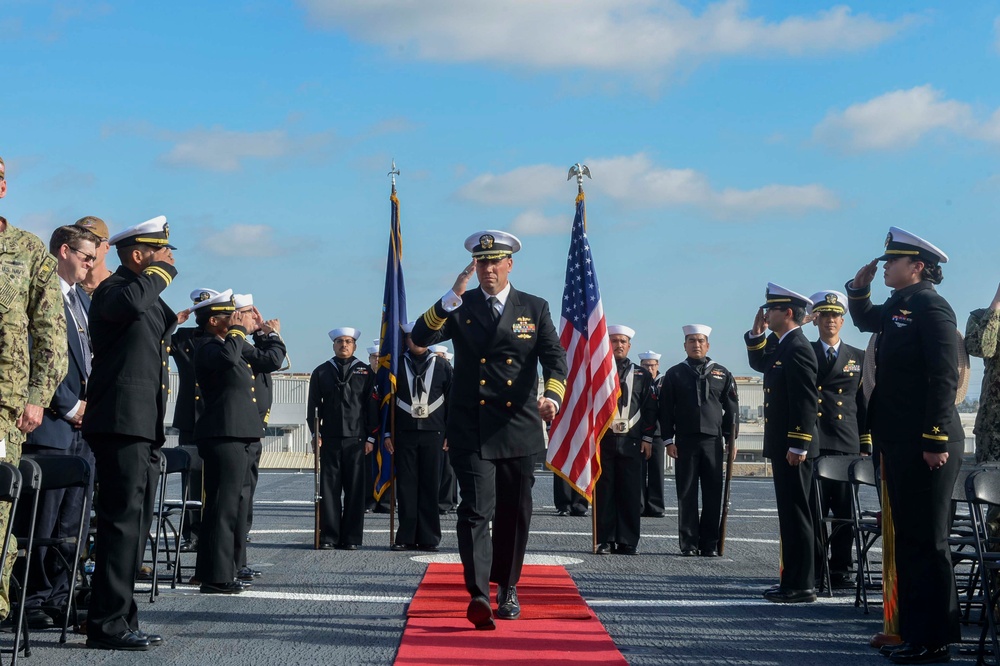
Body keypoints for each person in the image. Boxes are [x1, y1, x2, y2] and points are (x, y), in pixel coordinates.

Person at [411, 230, 567, 630]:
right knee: (476, 510)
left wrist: (551, 397)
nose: (489, 269)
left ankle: (507, 587)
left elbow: (554, 358)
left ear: (509, 264)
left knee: (514, 513)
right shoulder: (461, 307)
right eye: (482, 263)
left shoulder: (533, 307)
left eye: (496, 262)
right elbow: (420, 337)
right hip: (472, 427)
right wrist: (450, 297)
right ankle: (479, 593)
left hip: (518, 425)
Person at [846, 227, 963, 664]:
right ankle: (914, 633)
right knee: (910, 540)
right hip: (897, 439)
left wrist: (934, 437)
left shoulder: (932, 307)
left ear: (917, 267)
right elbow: (866, 319)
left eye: (892, 261)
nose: (885, 266)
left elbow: (944, 376)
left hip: (927, 443)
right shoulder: (902, 305)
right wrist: (859, 291)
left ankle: (935, 641)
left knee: (929, 542)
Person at [83, 215, 176, 651]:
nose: (170, 259)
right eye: (162, 251)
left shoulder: (138, 293)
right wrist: (157, 273)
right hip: (120, 423)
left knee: (134, 526)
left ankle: (122, 617)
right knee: (120, 524)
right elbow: (135, 304)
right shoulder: (113, 290)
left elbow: (161, 318)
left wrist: (156, 272)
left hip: (141, 425)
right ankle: (105, 623)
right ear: (137, 256)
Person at [20, 225, 101, 630]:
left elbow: (88, 359)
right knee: (41, 520)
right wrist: (70, 406)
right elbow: (35, 354)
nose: (92, 264)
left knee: (74, 521)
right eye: (87, 256)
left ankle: (60, 596)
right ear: (64, 251)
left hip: (82, 431)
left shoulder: (82, 300)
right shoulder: (42, 293)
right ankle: (30, 597)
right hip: (51, 423)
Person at [0, 155, 68, 623]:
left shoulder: (25, 249)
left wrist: (37, 396)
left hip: (3, 406)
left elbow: (50, 331)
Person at [745, 283, 819, 604]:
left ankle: (802, 584)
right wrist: (756, 332)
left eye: (771, 309)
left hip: (793, 448)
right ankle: (791, 580)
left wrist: (799, 444)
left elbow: (805, 399)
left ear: (787, 313)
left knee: (797, 513)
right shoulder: (784, 344)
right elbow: (761, 363)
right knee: (789, 515)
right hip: (785, 445)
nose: (765, 313)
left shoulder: (798, 347)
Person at [191, 291, 263, 594]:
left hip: (239, 433)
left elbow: (264, 361)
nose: (235, 320)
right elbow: (227, 358)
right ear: (213, 321)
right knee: (222, 507)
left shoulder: (227, 344)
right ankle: (216, 576)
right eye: (228, 316)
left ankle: (224, 568)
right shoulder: (207, 346)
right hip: (223, 435)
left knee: (231, 506)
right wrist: (236, 331)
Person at [659, 325, 738, 557]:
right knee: (687, 493)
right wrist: (667, 440)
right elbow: (665, 411)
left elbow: (731, 410)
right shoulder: (674, 374)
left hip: (713, 443)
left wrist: (730, 441)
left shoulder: (722, 373)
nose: (696, 344)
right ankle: (689, 543)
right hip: (684, 442)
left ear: (708, 345)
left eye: (701, 340)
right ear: (685, 345)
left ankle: (709, 544)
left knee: (714, 494)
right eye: (691, 341)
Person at [807, 290, 869, 588]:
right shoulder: (804, 352)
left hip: (846, 444)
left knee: (845, 514)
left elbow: (864, 401)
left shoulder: (859, 357)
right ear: (815, 319)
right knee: (815, 511)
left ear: (843, 321)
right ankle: (816, 568)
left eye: (835, 315)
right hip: (814, 441)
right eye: (825, 315)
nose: (830, 320)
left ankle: (842, 567)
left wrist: (866, 443)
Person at [307, 328, 378, 550]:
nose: (344, 345)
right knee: (329, 490)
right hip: (329, 439)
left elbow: (372, 408)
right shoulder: (322, 372)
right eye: (339, 341)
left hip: (357, 440)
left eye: (348, 341)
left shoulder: (365, 372)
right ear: (333, 345)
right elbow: (313, 407)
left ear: (355, 346)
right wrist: (315, 433)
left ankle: (352, 538)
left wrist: (370, 438)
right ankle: (329, 535)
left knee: (355, 491)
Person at [232, 293, 286, 581]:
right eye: (250, 313)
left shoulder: (244, 343)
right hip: (241, 432)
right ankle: (233, 562)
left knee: (246, 497)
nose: (257, 317)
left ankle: (239, 560)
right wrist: (273, 335)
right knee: (238, 499)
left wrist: (264, 334)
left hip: (252, 430)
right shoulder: (237, 344)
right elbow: (272, 360)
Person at [385, 321, 451, 552]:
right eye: (412, 337)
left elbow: (453, 401)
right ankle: (405, 536)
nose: (416, 341)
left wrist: (450, 433)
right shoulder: (395, 366)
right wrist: (386, 433)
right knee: (406, 486)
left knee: (430, 486)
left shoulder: (443, 366)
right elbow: (387, 403)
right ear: (405, 340)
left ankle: (429, 537)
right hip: (404, 432)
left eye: (422, 336)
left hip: (434, 432)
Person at [595, 326, 656, 556]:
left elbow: (651, 408)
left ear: (629, 345)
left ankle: (628, 540)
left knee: (630, 492)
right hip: (604, 438)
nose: (618, 345)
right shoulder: (598, 372)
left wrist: (648, 437)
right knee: (605, 491)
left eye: (623, 341)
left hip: (632, 439)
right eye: (613, 341)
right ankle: (605, 539)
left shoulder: (642, 374)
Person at [169, 287, 220, 555]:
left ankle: (217, 531)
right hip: (190, 418)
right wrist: (173, 322)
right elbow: (154, 343)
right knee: (191, 482)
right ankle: (191, 533)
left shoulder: (224, 338)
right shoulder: (182, 338)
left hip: (215, 418)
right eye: (198, 309)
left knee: (217, 480)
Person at [966, 283, 1000, 463]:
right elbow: (982, 348)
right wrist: (996, 304)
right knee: (990, 486)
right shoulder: (981, 318)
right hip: (994, 428)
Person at [638, 350, 667, 518]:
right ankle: (640, 505)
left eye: (652, 365)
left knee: (657, 471)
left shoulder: (665, 382)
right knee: (639, 471)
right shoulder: (637, 381)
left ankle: (656, 506)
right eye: (646, 365)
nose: (649, 368)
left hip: (658, 433)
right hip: (639, 432)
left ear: (657, 366)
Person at [74, 216, 112, 296]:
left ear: (107, 247)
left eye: (94, 241)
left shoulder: (119, 288)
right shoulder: (67, 288)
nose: (87, 247)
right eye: (80, 241)